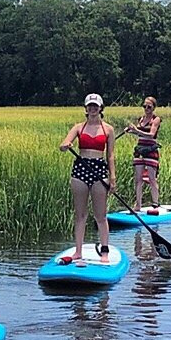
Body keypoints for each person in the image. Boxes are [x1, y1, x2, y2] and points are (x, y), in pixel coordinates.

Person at [59, 93, 116, 266]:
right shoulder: (78, 127)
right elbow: (64, 143)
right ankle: (78, 251)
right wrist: (65, 146)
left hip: (99, 169)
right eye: (90, 106)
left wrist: (112, 177)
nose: (92, 109)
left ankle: (104, 251)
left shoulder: (108, 129)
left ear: (101, 108)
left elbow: (111, 155)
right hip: (81, 169)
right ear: (86, 108)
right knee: (80, 214)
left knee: (101, 214)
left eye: (95, 106)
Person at [125, 96, 161, 211]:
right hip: (140, 150)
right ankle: (138, 205)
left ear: (153, 108)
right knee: (138, 179)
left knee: (151, 178)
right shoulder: (140, 119)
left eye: (149, 106)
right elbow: (139, 134)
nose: (146, 108)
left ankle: (155, 203)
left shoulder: (156, 119)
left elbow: (151, 135)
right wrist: (131, 131)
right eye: (144, 106)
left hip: (151, 150)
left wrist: (136, 130)